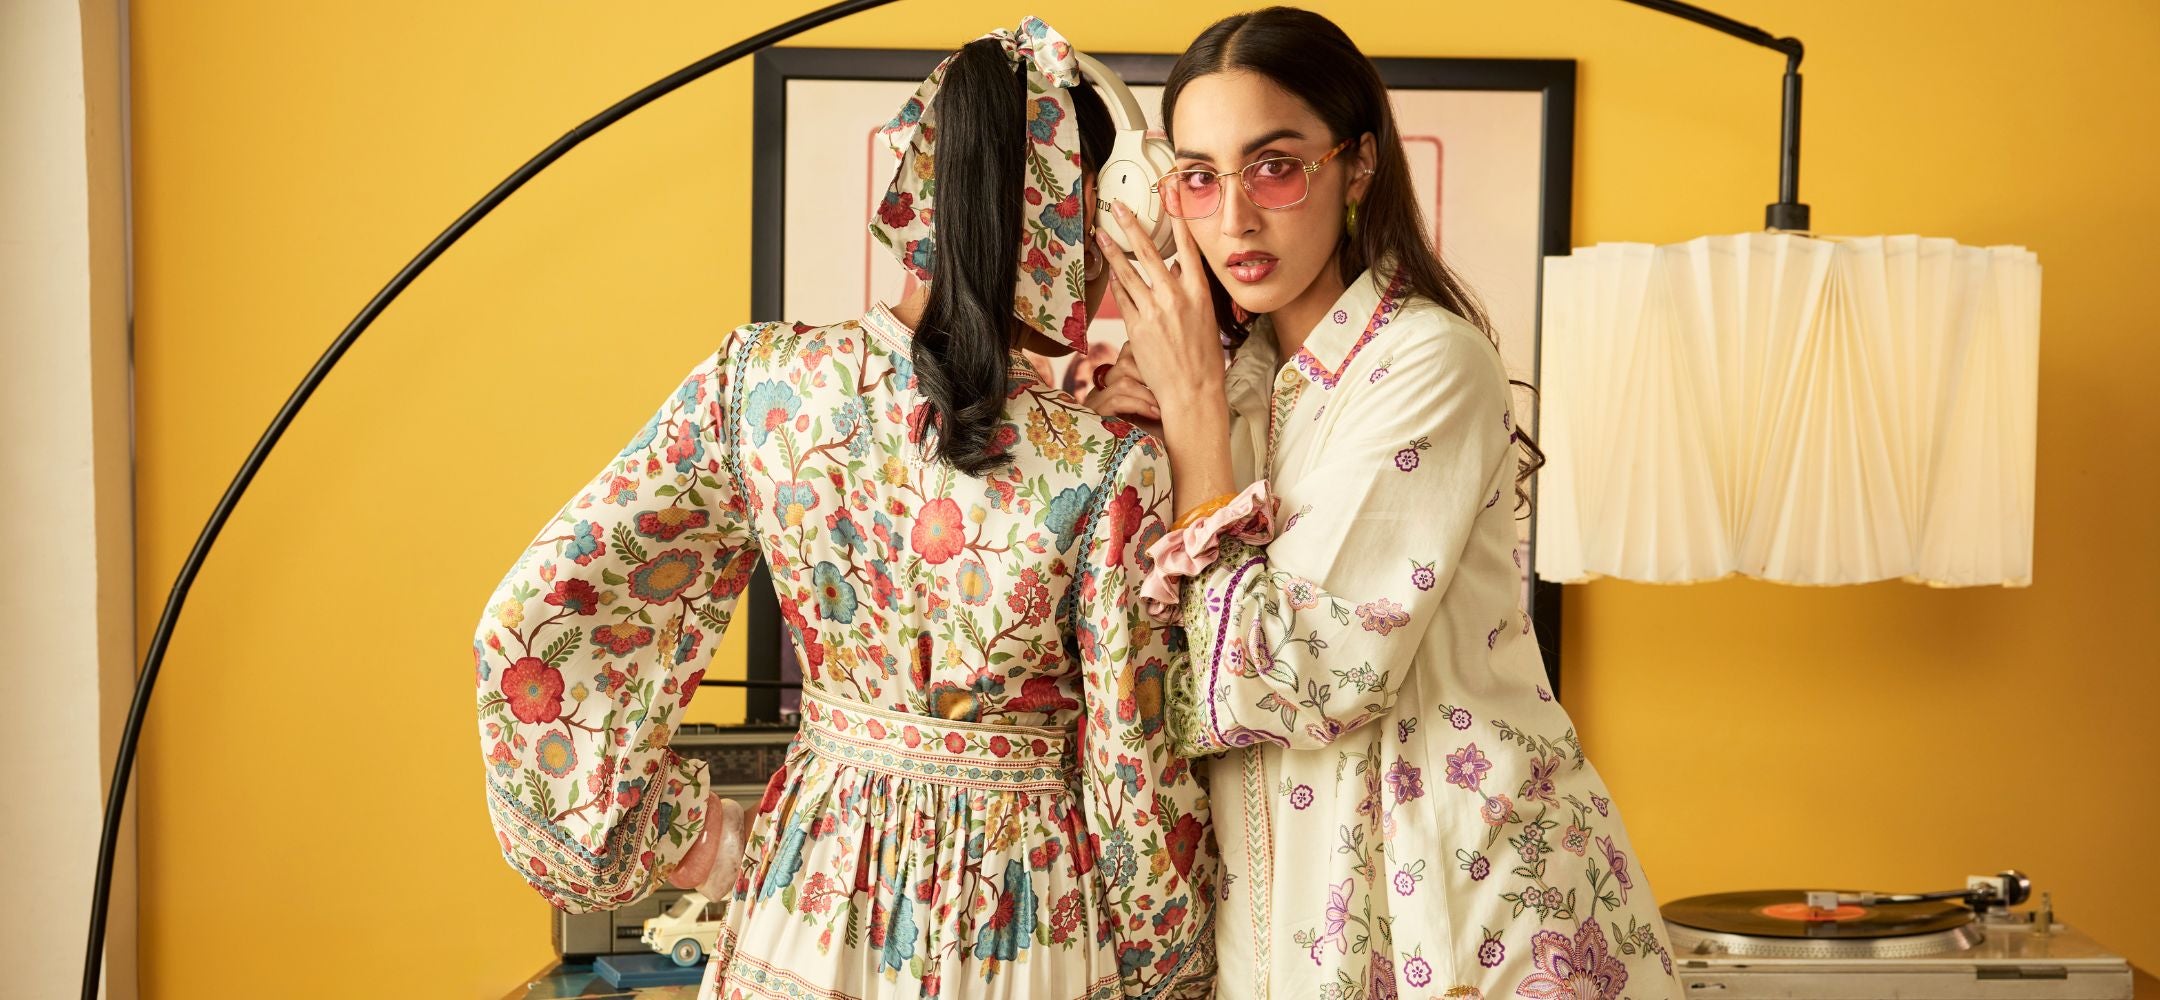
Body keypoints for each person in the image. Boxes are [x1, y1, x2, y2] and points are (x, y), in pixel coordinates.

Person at [472, 18, 1216, 999]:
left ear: (922, 181)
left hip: (811, 887)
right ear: (1064, 218)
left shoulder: (763, 387)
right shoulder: (1107, 465)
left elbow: (539, 621)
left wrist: (688, 838)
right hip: (1026, 916)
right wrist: (1174, 964)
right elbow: (1136, 780)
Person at [1089, 8, 1681, 1000]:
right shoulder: (1234, 390)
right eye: (1198, 177)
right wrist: (1137, 440)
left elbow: (1306, 676)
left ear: (1357, 166)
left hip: (1470, 911)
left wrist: (1190, 419)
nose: (1234, 219)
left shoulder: (1429, 363)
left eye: (1276, 168)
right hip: (1286, 920)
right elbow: (1155, 680)